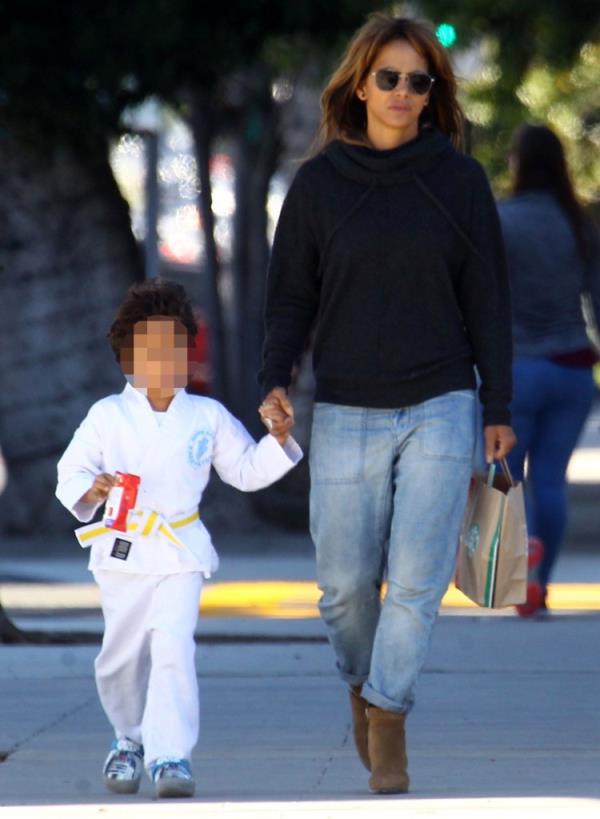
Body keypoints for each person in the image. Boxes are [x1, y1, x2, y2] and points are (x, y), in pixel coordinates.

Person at [259, 12, 515, 795]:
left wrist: (498, 404)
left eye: (419, 81)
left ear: (433, 94)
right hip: (344, 407)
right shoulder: (319, 184)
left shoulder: (459, 182)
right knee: (342, 586)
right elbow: (289, 298)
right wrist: (275, 378)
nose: (404, 93)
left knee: (415, 578)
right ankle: (363, 684)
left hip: (442, 401)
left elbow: (488, 301)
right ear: (360, 84)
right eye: (390, 78)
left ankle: (390, 712)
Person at [56, 279, 301, 799]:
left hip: (180, 550)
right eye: (148, 349)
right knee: (119, 658)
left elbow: (245, 470)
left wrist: (277, 439)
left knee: (172, 646)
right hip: (121, 549)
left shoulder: (206, 416)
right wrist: (91, 487)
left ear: (188, 353)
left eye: (173, 348)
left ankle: (171, 755)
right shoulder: (107, 416)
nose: (162, 360)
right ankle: (128, 739)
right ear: (127, 355)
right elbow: (70, 471)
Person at [499, 124, 600, 617]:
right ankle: (542, 583)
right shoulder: (580, 224)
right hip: (572, 368)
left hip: (516, 368)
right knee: (552, 481)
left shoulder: (501, 221)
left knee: (507, 478)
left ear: (519, 163)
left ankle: (519, 575)